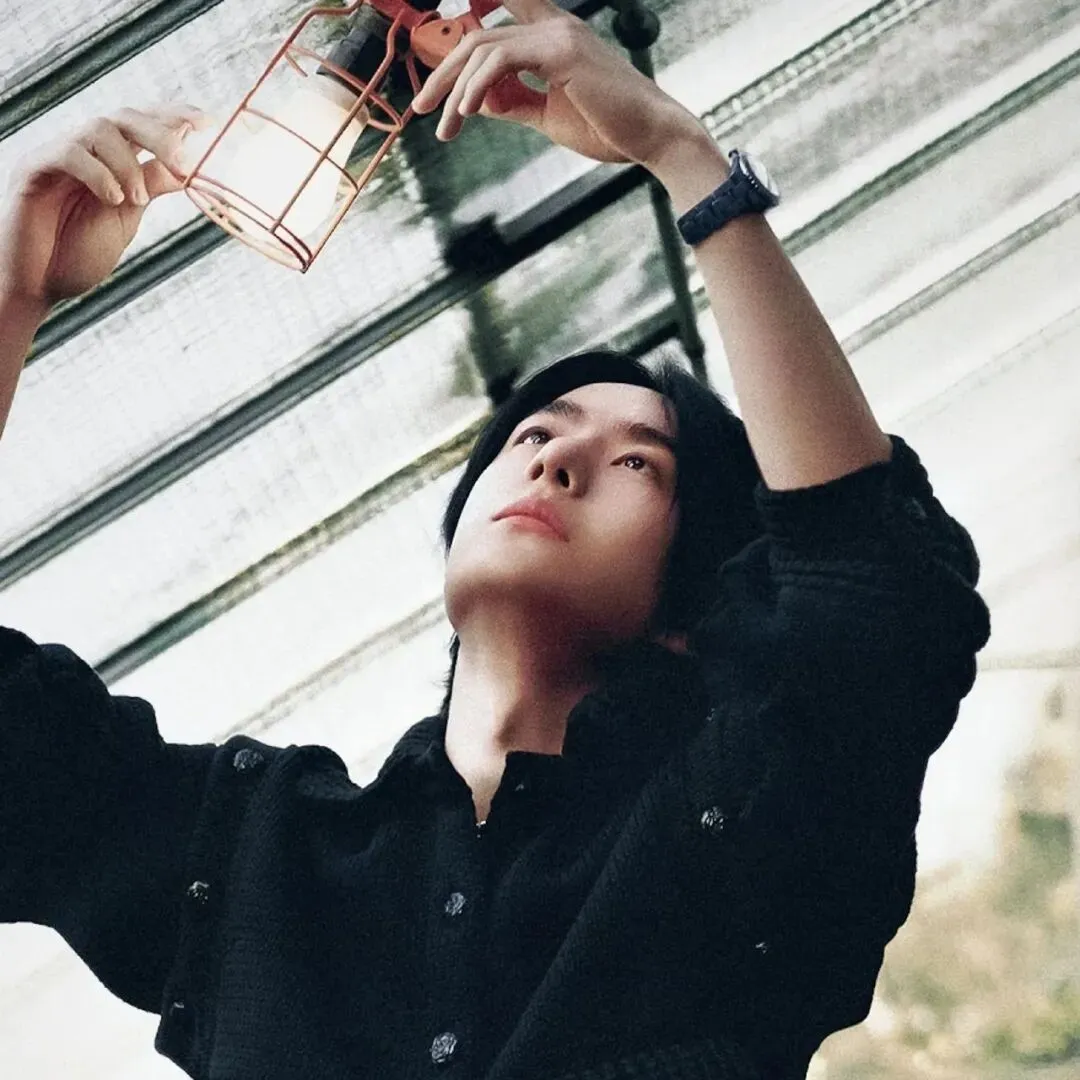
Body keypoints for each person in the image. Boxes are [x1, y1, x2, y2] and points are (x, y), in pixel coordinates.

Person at [0, 1, 991, 1078]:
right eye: (534, 434)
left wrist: (681, 155)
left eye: (637, 464)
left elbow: (868, 593)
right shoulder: (262, 858)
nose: (556, 462)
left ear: (693, 609)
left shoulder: (735, 820)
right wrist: (13, 293)